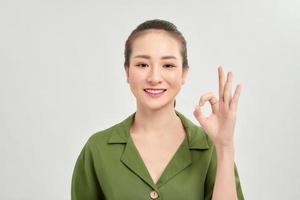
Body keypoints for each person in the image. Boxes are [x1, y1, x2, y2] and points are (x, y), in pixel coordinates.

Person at [71, 19, 244, 200]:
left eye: (168, 65)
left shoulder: (211, 148)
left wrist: (225, 146)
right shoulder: (98, 149)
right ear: (127, 71)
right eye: (142, 65)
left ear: (184, 73)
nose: (154, 77)